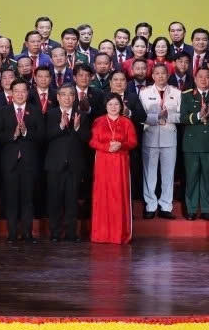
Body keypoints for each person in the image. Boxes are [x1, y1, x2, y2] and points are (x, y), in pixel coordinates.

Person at [0, 80, 43, 242]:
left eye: (23, 91)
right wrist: (13, 135)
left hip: (29, 161)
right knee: (11, 198)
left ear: (27, 93)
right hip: (10, 162)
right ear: (11, 93)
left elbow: (42, 136)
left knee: (28, 199)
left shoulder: (35, 111)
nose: (20, 94)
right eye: (17, 91)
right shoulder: (3, 111)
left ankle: (27, 233)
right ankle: (12, 233)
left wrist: (26, 132)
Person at [88, 93, 137, 244]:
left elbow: (133, 142)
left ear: (121, 106)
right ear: (106, 106)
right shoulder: (98, 121)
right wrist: (107, 147)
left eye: (116, 104)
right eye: (110, 104)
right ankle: (101, 234)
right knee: (102, 196)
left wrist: (121, 145)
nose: (113, 107)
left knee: (118, 195)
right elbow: (93, 142)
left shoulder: (127, 122)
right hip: (103, 162)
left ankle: (119, 234)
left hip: (120, 162)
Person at [44, 85, 91, 242]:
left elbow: (87, 139)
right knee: (54, 200)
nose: (67, 97)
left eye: (70, 95)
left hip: (74, 165)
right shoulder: (50, 114)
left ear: (74, 97)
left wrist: (77, 128)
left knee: (72, 201)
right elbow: (45, 136)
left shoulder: (82, 115)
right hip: (54, 164)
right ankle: (55, 233)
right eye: (63, 94)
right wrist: (61, 126)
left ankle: (71, 233)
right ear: (58, 97)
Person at [180, 68, 209, 220]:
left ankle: (206, 210)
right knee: (192, 178)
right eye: (200, 77)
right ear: (195, 79)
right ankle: (191, 210)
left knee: (207, 178)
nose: (203, 80)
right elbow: (183, 118)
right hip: (192, 144)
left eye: (207, 77)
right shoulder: (186, 95)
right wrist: (199, 115)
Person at [139, 64, 182, 219]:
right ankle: (150, 205)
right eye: (157, 73)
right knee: (149, 173)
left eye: (163, 73)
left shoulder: (177, 92)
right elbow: (141, 116)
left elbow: (181, 116)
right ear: (152, 76)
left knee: (168, 174)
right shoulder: (144, 93)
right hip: (150, 136)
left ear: (168, 75)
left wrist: (168, 115)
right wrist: (156, 117)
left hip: (169, 137)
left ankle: (166, 206)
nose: (160, 76)